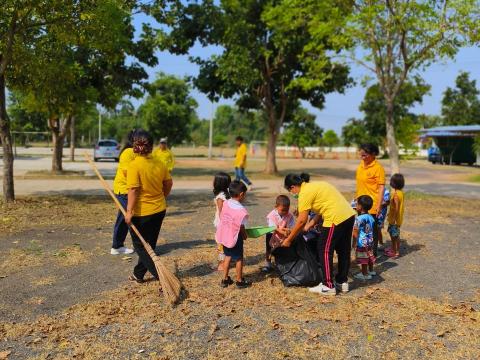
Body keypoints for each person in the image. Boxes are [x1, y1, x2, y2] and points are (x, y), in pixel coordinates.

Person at [281, 174, 356, 296]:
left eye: (290, 190)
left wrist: (289, 239)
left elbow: (301, 220)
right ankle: (342, 282)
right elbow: (321, 211)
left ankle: (328, 285)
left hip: (334, 218)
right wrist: (309, 225)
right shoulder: (317, 186)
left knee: (324, 249)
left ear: (293, 187)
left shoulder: (304, 193)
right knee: (343, 250)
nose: (292, 193)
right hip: (348, 215)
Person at [124, 130, 173, 283]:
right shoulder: (160, 163)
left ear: (135, 146)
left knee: (140, 247)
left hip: (142, 213)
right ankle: (139, 274)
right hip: (159, 210)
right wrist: (162, 196)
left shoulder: (134, 166)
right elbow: (168, 183)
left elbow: (133, 189)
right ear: (151, 146)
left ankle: (161, 277)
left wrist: (129, 211)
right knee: (149, 245)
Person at [216, 180, 251, 289]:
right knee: (239, 259)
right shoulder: (241, 211)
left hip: (225, 236)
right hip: (235, 238)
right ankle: (239, 280)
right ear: (241, 194)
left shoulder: (226, 203)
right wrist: (245, 235)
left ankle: (225, 279)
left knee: (227, 256)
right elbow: (241, 227)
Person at [355, 143, 386, 257]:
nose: (362, 154)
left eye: (365, 153)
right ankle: (362, 252)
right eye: (361, 152)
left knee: (371, 231)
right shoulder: (361, 165)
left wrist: (379, 204)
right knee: (361, 229)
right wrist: (356, 199)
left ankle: (372, 254)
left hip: (371, 205)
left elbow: (381, 187)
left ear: (373, 154)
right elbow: (360, 184)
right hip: (360, 203)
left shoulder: (378, 168)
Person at [111, 130, 136, 255]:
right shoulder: (128, 152)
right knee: (126, 217)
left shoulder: (136, 152)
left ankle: (117, 245)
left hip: (130, 189)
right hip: (124, 189)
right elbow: (128, 172)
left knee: (125, 216)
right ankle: (117, 246)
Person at [263, 195, 295, 273]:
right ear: (276, 207)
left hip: (283, 236)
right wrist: (283, 231)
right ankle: (268, 263)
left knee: (282, 249)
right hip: (271, 235)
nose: (285, 212)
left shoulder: (289, 215)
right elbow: (273, 227)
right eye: (282, 210)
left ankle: (281, 263)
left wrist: (288, 230)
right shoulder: (272, 215)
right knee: (269, 249)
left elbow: (291, 226)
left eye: (286, 210)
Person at [352, 195, 376, 281]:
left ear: (360, 206)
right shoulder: (371, 217)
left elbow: (355, 231)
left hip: (362, 242)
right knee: (369, 256)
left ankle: (364, 274)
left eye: (357, 204)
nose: (356, 205)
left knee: (363, 259)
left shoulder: (358, 219)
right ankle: (371, 270)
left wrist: (354, 243)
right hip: (369, 240)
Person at [212, 172, 232, 271]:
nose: (213, 182)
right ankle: (226, 261)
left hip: (222, 224)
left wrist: (222, 227)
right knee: (226, 243)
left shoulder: (220, 197)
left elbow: (221, 213)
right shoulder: (228, 194)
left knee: (220, 244)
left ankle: (222, 264)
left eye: (214, 180)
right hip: (228, 223)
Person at [385, 174, 405, 259]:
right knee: (395, 235)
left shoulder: (396, 195)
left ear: (394, 183)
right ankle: (393, 248)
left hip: (394, 220)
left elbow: (396, 208)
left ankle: (395, 252)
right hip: (397, 219)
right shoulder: (401, 193)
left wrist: (393, 218)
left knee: (394, 236)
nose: (390, 182)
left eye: (391, 181)